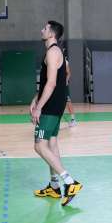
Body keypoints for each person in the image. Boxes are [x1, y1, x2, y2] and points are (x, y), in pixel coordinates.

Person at [31, 21, 83, 206]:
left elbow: (52, 83)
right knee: (51, 142)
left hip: (52, 104)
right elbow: (48, 81)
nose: (41, 29)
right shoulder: (54, 51)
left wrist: (39, 107)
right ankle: (54, 187)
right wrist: (36, 98)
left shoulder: (53, 52)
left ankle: (70, 182)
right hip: (56, 102)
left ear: (52, 33)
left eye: (44, 28)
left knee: (39, 146)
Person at [64, 52, 77, 127]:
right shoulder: (52, 61)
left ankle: (73, 120)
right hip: (55, 86)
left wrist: (66, 80)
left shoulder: (65, 62)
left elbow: (68, 73)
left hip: (64, 86)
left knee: (68, 102)